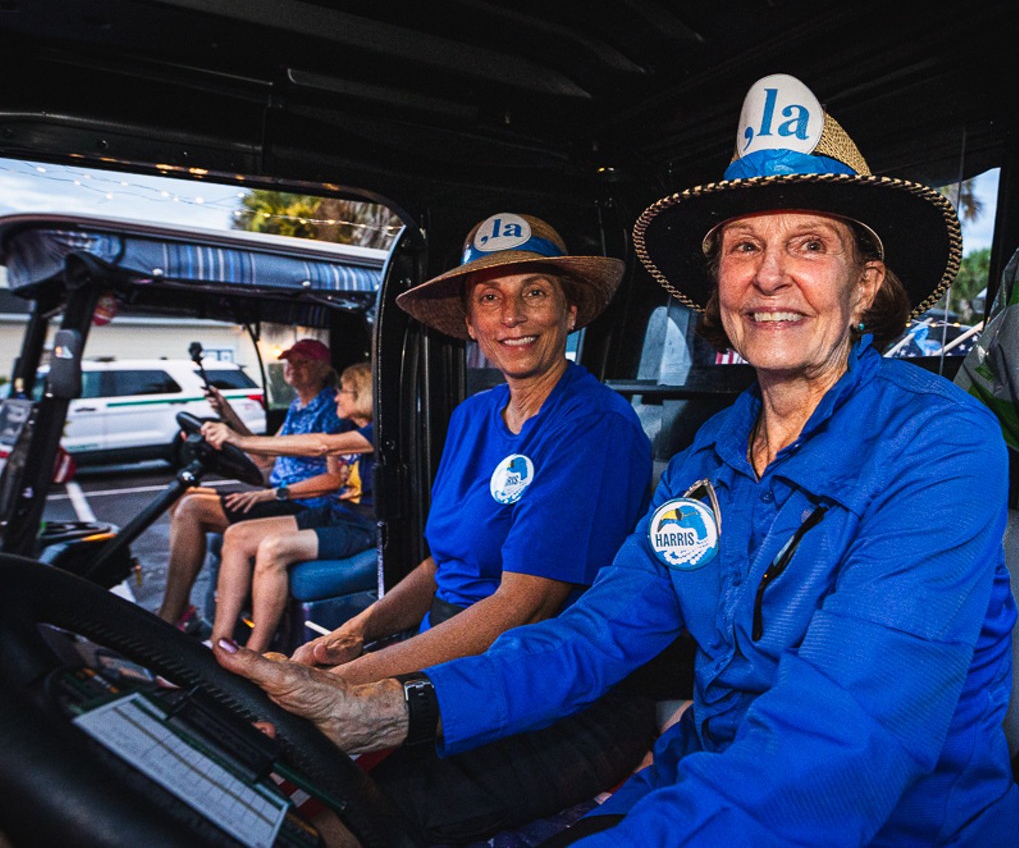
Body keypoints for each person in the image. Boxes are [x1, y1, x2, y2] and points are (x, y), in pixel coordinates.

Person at [218, 75, 1019, 846]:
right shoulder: (706, 463)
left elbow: (844, 745)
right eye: (743, 246)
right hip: (705, 782)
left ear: (864, 287)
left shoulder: (937, 443)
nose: (770, 276)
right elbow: (592, 635)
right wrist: (391, 708)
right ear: (716, 285)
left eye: (811, 244)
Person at [243, 211, 655, 841]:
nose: (510, 316)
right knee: (275, 780)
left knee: (328, 826)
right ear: (471, 322)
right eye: (489, 298)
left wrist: (341, 684)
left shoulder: (595, 425)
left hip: (541, 689)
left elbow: (523, 606)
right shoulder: (474, 416)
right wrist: (356, 635)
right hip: (443, 657)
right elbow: (441, 564)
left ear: (570, 312)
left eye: (533, 293)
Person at [156, 338, 350, 630]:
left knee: (193, 508)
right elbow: (264, 456)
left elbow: (334, 478)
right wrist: (227, 413)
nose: (292, 368)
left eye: (303, 362)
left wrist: (274, 493)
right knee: (181, 497)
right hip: (277, 494)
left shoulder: (332, 409)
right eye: (289, 362)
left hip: (301, 502)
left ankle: (169, 619)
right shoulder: (298, 406)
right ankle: (182, 608)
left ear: (323, 368)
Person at [200, 362, 376, 652]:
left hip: (361, 527)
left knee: (273, 548)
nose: (336, 398)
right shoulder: (350, 428)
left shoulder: (375, 433)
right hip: (334, 514)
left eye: (343, 392)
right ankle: (220, 643)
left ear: (363, 396)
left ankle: (254, 655)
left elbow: (322, 446)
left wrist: (241, 439)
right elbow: (281, 454)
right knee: (236, 535)